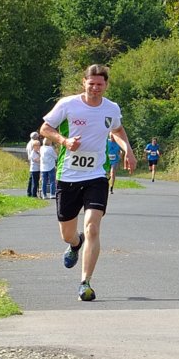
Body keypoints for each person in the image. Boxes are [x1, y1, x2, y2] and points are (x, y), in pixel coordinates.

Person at [39, 64, 137, 302]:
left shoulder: (111, 108)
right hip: (68, 175)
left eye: (100, 84)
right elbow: (45, 129)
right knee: (67, 234)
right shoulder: (67, 104)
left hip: (96, 175)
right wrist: (64, 140)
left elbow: (118, 130)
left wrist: (128, 151)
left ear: (106, 85)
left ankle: (85, 283)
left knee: (93, 226)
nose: (95, 88)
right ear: (83, 82)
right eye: (91, 83)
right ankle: (75, 245)